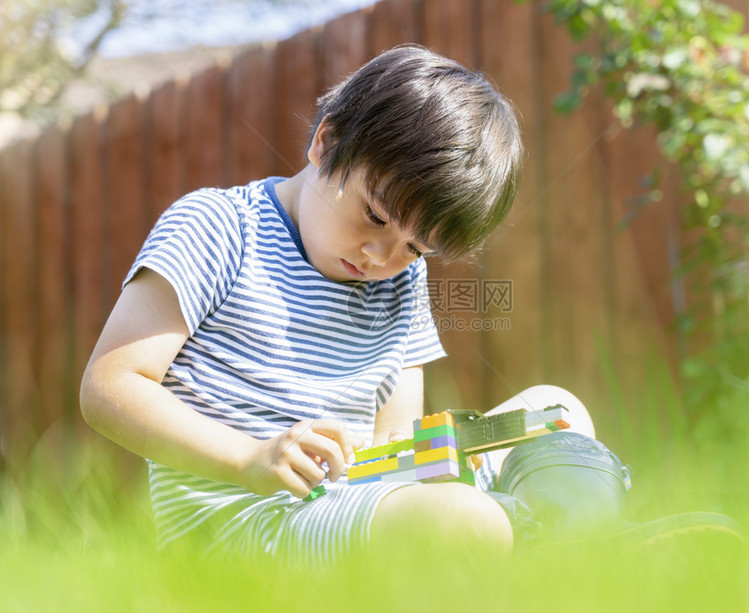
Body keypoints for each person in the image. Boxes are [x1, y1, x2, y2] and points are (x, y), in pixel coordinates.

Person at [80, 44, 528, 564]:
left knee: (560, 414)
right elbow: (109, 386)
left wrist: (439, 465)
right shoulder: (219, 228)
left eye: (415, 247)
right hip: (242, 527)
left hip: (355, 504)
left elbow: (394, 442)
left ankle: (537, 533)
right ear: (326, 142)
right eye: (376, 217)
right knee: (462, 522)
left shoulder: (402, 282)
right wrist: (249, 457)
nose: (382, 256)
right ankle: (528, 537)